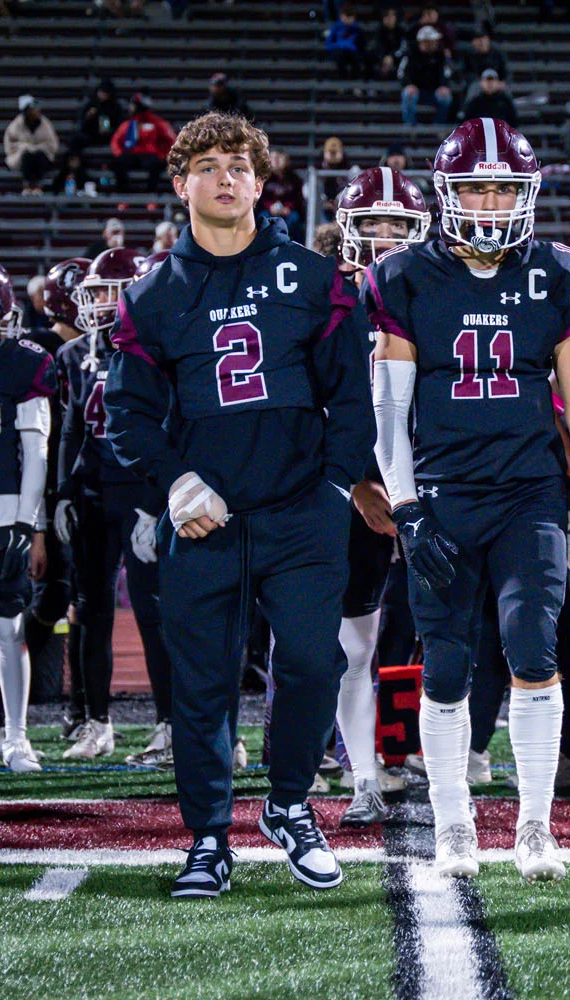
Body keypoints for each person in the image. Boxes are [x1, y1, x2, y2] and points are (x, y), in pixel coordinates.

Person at [104, 112, 374, 898]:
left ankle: (288, 804)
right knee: (203, 686)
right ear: (180, 182)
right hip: (203, 520)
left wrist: (334, 486)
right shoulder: (152, 295)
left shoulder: (313, 279)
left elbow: (351, 398)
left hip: (299, 512)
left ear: (260, 182)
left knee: (313, 664)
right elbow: (127, 415)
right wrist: (174, 483)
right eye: (210, 166)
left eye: (240, 166)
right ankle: (208, 838)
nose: (227, 178)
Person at [363, 117, 570, 881]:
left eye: (503, 188)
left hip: (528, 495)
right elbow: (388, 410)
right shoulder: (406, 276)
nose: (488, 202)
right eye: (474, 187)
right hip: (443, 493)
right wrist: (407, 508)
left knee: (534, 649)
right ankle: (453, 823)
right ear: (447, 194)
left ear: (527, 194)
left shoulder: (560, 274)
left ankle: (535, 825)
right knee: (445, 666)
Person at [326, 166, 432, 823]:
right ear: (348, 228)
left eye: (399, 224)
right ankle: (360, 772)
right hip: (353, 490)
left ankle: (412, 757)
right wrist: (354, 485)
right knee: (351, 644)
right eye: (373, 223)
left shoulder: (440, 289)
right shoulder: (325, 298)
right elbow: (305, 406)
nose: (387, 235)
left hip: (435, 482)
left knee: (433, 638)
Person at [54, 248, 172, 766]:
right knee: (91, 609)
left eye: (107, 291)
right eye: (95, 292)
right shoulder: (75, 353)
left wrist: (154, 501)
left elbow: (167, 427)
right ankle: (96, 722)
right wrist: (63, 492)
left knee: (151, 612)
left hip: (139, 491)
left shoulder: (158, 347)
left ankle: (169, 722)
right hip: (93, 493)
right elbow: (71, 428)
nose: (97, 302)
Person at [0, 254, 53, 774]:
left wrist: (26, 522)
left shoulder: (21, 362)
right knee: (4, 631)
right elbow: (37, 452)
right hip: (2, 514)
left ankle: (16, 737)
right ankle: (7, 735)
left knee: (7, 628)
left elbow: (36, 450)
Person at [109, 94, 175, 194]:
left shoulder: (157, 123)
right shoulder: (128, 124)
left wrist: (162, 154)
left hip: (150, 154)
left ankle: (150, 193)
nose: (130, 108)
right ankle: (124, 193)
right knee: (118, 163)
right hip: (131, 154)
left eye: (132, 105)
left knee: (157, 165)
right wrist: (119, 153)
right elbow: (115, 140)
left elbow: (171, 140)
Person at [65, 79, 120, 195]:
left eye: (105, 93)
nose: (102, 95)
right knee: (74, 143)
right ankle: (78, 172)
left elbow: (118, 126)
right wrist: (89, 116)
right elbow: (82, 124)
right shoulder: (92, 104)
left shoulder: (114, 107)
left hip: (108, 137)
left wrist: (108, 131)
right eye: (101, 92)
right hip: (91, 135)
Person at [399, 26, 455, 126]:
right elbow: (402, 72)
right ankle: (410, 127)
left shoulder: (441, 55)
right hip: (416, 90)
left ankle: (438, 126)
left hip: (434, 91)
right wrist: (408, 84)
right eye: (429, 41)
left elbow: (447, 72)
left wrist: (444, 85)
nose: (433, 44)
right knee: (408, 94)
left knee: (446, 97)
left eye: (433, 41)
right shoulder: (411, 54)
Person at [3, 95, 58, 195]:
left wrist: (38, 148)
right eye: (33, 109)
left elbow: (52, 143)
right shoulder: (16, 125)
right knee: (27, 156)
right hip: (22, 154)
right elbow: (10, 145)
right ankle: (27, 186)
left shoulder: (45, 124)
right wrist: (26, 147)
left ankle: (38, 186)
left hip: (42, 154)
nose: (36, 111)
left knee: (39, 156)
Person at [260, 148, 305, 231]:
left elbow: (297, 198)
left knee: (294, 218)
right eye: (273, 158)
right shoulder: (265, 178)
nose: (275, 161)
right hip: (268, 210)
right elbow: (261, 197)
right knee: (262, 217)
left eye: (278, 158)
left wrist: (287, 208)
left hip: (288, 211)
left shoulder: (294, 178)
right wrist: (270, 207)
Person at [325, 4, 369, 80]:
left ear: (353, 18)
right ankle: (343, 79)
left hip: (352, 53)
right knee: (339, 55)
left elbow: (362, 45)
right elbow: (328, 44)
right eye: (346, 17)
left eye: (350, 17)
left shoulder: (357, 29)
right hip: (339, 52)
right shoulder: (336, 28)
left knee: (357, 57)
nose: (347, 19)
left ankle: (355, 80)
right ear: (341, 16)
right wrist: (339, 46)